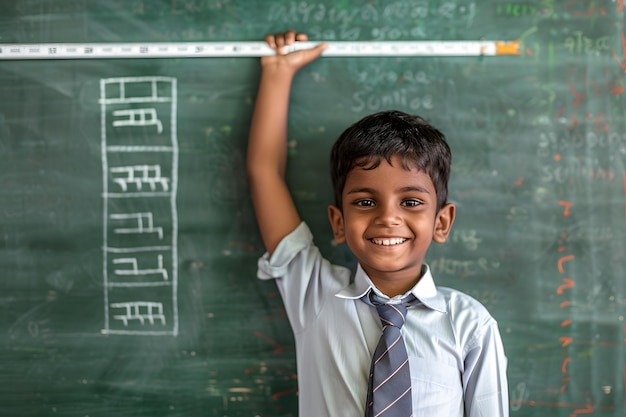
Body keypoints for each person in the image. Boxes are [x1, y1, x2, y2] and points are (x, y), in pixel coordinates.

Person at [246, 29, 509, 417]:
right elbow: (263, 172)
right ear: (338, 221)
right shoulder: (314, 294)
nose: (388, 216)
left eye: (412, 201)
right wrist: (277, 73)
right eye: (365, 201)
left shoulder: (470, 324)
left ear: (442, 221)